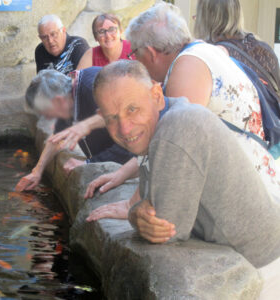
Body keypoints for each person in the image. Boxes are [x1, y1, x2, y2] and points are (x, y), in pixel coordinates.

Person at [93, 60, 280, 299]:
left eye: (132, 109)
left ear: (157, 96)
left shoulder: (176, 129)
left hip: (265, 267)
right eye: (112, 118)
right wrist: (139, 210)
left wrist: (133, 214)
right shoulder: (169, 117)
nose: (125, 128)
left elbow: (167, 229)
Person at [85, 2, 280, 218]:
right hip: (250, 184)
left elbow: (173, 143)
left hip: (249, 203)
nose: (136, 62)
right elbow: (161, 140)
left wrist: (135, 202)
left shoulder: (187, 68)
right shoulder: (202, 51)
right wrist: (122, 173)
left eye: (134, 55)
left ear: (149, 53)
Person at [15, 68, 134, 192]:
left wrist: (89, 163)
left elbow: (128, 143)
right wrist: (37, 171)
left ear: (58, 101)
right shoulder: (70, 95)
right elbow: (57, 139)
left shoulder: (94, 90)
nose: (48, 118)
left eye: (46, 112)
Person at [194, 0, 280, 97]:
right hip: (268, 112)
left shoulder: (214, 54)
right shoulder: (264, 49)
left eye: (196, 17)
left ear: (204, 20)